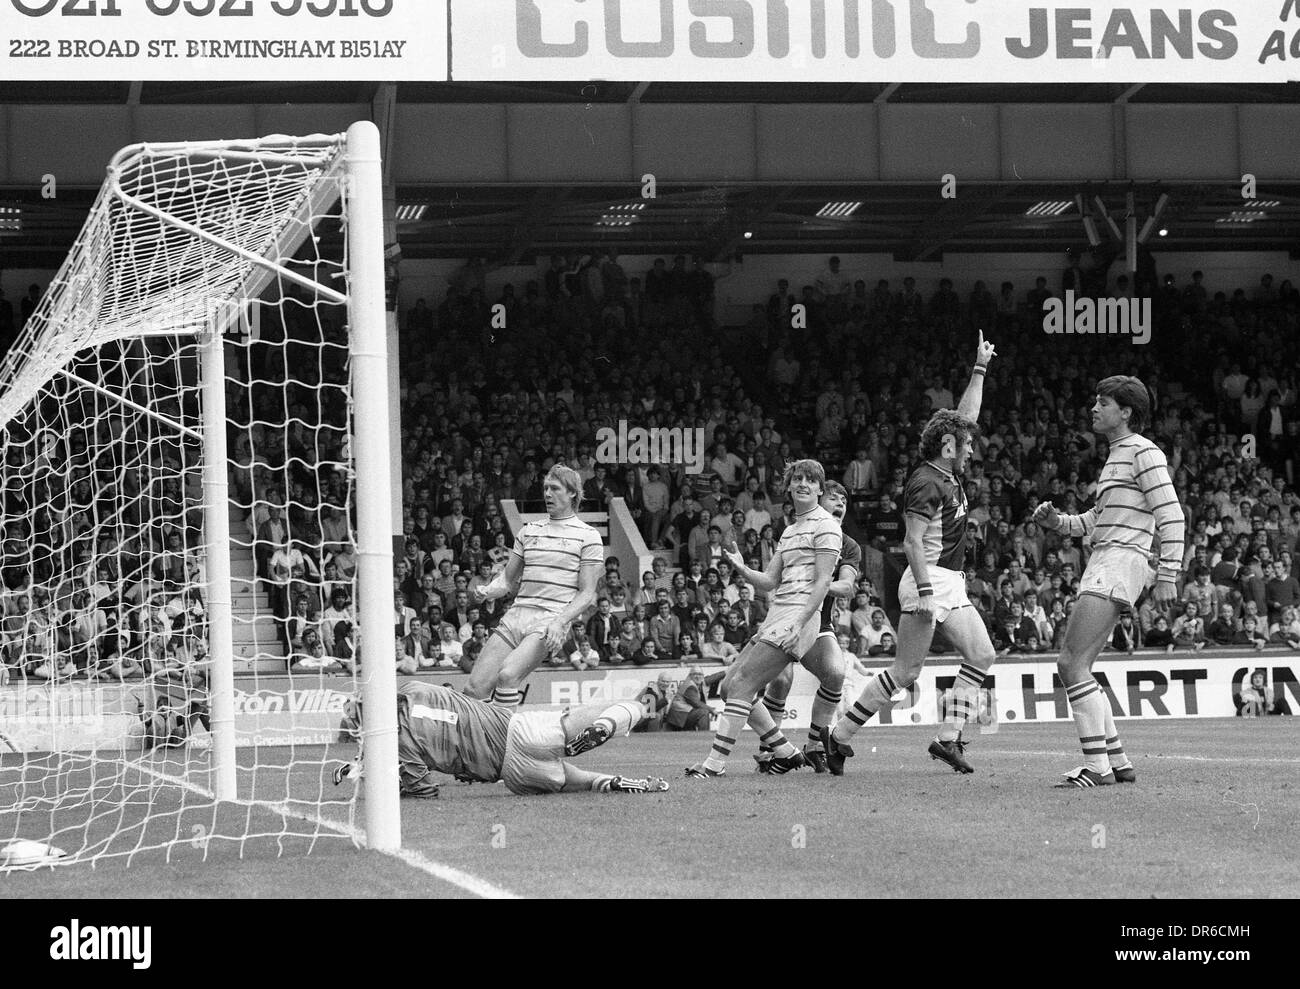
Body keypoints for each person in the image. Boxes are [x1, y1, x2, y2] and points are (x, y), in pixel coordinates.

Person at [826, 332, 999, 776]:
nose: (972, 448)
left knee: (943, 664)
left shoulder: (944, 466)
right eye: (966, 445)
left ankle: (857, 737)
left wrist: (979, 368)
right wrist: (924, 589)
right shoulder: (927, 481)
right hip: (930, 578)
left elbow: (966, 418)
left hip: (943, 580)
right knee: (938, 666)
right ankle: (924, 738)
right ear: (948, 448)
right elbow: (911, 542)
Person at [1031, 375, 1185, 788]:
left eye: (1102, 403)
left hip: (1119, 562)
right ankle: (1117, 761)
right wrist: (1057, 521)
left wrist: (1168, 573)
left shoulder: (1144, 452)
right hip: (1108, 559)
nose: (1093, 410)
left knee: (1070, 663)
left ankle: (1096, 766)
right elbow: (1095, 521)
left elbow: (1171, 514)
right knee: (1082, 666)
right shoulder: (1117, 455)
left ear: (1126, 412)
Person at [685, 459, 840, 779]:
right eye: (797, 478)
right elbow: (769, 581)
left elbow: (824, 582)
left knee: (741, 686)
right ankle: (786, 751)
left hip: (797, 617)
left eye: (811, 480)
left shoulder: (826, 525)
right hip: (777, 614)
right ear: (789, 485)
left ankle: (714, 765)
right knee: (729, 688)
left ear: (820, 489)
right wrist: (741, 567)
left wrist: (799, 625)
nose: (803, 484)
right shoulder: (790, 530)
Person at [334, 680, 668, 797]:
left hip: (512, 775)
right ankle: (633, 710)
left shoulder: (401, 746)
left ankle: (610, 783)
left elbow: (424, 790)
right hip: (518, 731)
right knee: (596, 714)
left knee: (570, 781)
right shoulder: (412, 688)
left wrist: (370, 768)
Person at [737, 482, 861, 773]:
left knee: (836, 674)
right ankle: (770, 752)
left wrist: (819, 585)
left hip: (819, 622)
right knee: (779, 682)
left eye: (844, 499)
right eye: (834, 497)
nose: (840, 502)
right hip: (787, 618)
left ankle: (816, 745)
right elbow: (771, 579)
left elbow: (846, 586)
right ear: (820, 501)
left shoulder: (849, 545)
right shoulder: (799, 532)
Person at [465, 465, 602, 707]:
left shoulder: (588, 535)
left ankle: (502, 742)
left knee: (507, 676)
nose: (548, 494)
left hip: (548, 621)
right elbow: (507, 581)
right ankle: (478, 742)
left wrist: (561, 622)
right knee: (474, 689)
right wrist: (486, 592)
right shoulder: (529, 530)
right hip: (517, 615)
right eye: (546, 488)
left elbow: (587, 592)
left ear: (572, 493)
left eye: (555, 488)